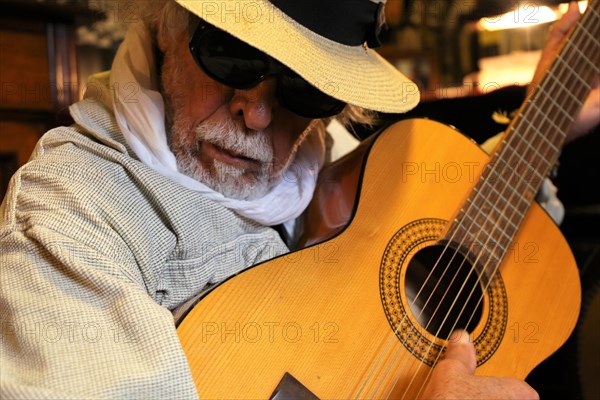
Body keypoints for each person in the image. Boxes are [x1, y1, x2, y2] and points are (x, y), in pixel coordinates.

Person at [0, 0, 597, 398]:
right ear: (166, 23)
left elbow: (454, 205)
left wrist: (544, 119)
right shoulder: (70, 214)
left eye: (305, 87)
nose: (257, 112)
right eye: (229, 55)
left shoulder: (320, 157)